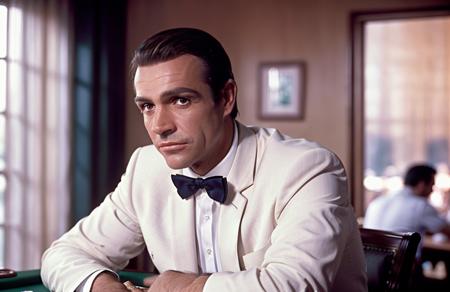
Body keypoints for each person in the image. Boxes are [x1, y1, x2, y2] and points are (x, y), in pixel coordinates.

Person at [41, 27, 367, 292]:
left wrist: (192, 287)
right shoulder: (146, 167)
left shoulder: (308, 168)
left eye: (181, 100)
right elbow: (63, 255)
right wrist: (103, 287)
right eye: (147, 106)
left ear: (225, 98)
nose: (160, 126)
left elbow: (295, 285)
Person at [364, 164, 450, 239]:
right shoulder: (421, 206)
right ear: (422, 185)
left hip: (370, 257)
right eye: (432, 185)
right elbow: (446, 231)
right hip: (405, 258)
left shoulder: (377, 202)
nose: (432, 191)